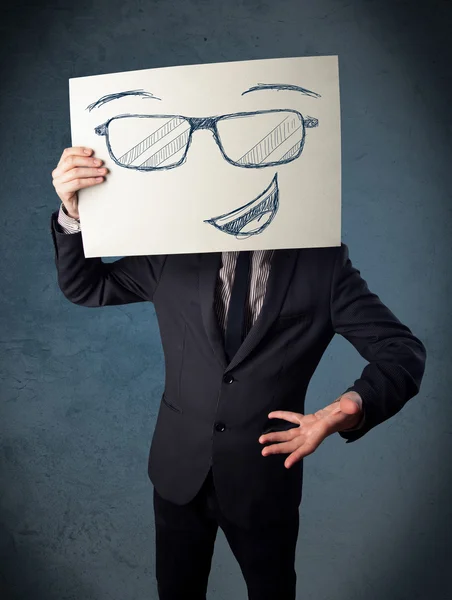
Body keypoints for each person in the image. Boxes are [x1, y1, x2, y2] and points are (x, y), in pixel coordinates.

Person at [50, 146, 426, 600]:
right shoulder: (174, 248)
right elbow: (86, 287)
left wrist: (350, 407)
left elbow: (401, 351)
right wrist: (73, 215)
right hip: (177, 472)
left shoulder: (323, 266)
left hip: (265, 479)